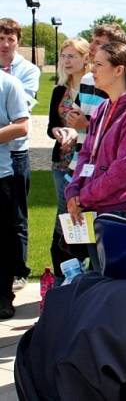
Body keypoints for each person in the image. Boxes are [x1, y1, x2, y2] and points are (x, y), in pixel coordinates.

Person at [64, 42, 126, 231]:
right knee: (92, 260)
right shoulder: (102, 108)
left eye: (99, 64)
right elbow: (86, 153)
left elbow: (125, 169)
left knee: (111, 261)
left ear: (118, 70)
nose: (92, 70)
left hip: (117, 210)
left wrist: (84, 196)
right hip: (92, 204)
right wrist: (73, 190)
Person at [46, 37, 91, 279]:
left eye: (72, 56)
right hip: (61, 162)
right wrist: (58, 131)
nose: (66, 61)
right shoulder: (59, 90)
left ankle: (82, 274)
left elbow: (104, 125)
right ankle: (64, 276)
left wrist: (82, 127)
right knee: (64, 219)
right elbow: (51, 126)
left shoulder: (94, 88)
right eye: (63, 56)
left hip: (86, 164)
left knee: (82, 216)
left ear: (86, 58)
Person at [0, 17, 40, 289]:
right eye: (0, 39)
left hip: (16, 153)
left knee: (16, 216)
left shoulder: (26, 71)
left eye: (10, 39)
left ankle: (18, 270)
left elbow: (21, 108)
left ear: (18, 42)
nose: (4, 44)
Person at [0, 69, 29, 318]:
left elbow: (22, 126)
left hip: (1, 174)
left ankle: (3, 296)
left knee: (3, 240)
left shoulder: (8, 84)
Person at [65, 23, 126, 135]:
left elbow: (119, 132)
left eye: (98, 43)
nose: (90, 46)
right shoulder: (86, 79)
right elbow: (77, 116)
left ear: (115, 49)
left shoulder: (123, 88)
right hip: (81, 151)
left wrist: (87, 126)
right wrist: (71, 126)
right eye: (92, 40)